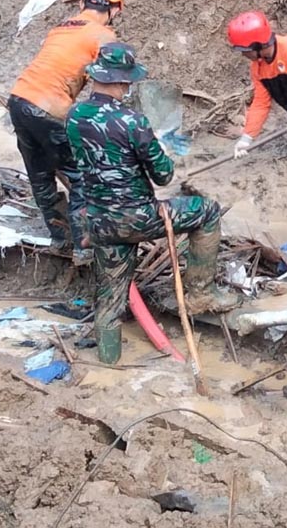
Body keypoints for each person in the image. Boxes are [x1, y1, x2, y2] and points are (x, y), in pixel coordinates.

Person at [66, 43, 235, 365]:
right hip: (139, 217)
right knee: (207, 211)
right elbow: (162, 175)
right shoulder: (132, 121)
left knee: (110, 299)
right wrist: (161, 148)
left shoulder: (74, 116)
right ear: (123, 81)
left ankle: (108, 364)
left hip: (100, 223)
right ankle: (201, 292)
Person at [8, 0, 122, 259]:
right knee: (82, 176)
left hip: (19, 100)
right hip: (49, 108)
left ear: (83, 2)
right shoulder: (104, 36)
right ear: (115, 9)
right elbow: (108, 84)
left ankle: (60, 237)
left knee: (40, 175)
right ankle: (84, 248)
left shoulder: (60, 28)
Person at [227, 10, 287, 160]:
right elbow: (261, 103)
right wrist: (247, 137)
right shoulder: (258, 67)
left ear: (257, 46)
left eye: (245, 50)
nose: (243, 54)